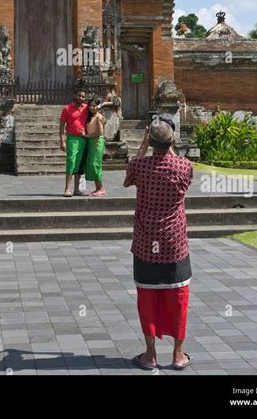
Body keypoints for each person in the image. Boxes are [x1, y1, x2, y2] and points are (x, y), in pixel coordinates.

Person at [123, 118, 193, 371]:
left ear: (150, 141)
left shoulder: (139, 166)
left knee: (147, 298)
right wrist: (167, 141)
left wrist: (144, 143)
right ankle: (178, 354)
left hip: (145, 243)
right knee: (179, 299)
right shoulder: (184, 166)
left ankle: (150, 355)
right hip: (174, 244)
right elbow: (173, 161)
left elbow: (128, 179)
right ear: (172, 141)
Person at [59, 89, 88, 197]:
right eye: (79, 95)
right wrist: (62, 141)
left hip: (84, 139)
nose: (81, 98)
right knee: (71, 162)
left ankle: (77, 189)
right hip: (72, 138)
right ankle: (67, 189)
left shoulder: (86, 108)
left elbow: (96, 112)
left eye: (83, 96)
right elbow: (61, 126)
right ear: (74, 95)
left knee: (80, 164)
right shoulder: (67, 109)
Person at [83, 97, 106, 196]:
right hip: (91, 142)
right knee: (91, 164)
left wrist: (86, 135)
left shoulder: (99, 117)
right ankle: (97, 188)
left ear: (98, 106)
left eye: (94, 105)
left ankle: (101, 188)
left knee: (95, 164)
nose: (92, 107)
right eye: (91, 105)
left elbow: (100, 132)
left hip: (97, 142)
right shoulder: (90, 116)